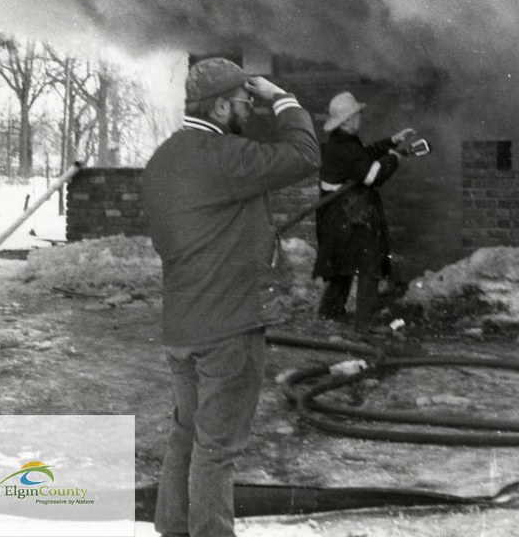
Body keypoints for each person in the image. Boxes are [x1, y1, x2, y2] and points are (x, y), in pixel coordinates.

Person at [142, 57, 320, 537]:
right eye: (244, 103)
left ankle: (173, 529)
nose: (250, 111)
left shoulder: (162, 160)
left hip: (181, 329)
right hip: (228, 331)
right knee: (217, 448)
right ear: (221, 107)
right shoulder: (228, 157)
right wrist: (284, 99)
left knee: (186, 435)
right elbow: (304, 156)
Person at [312, 91, 414, 331]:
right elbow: (373, 175)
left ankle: (329, 314)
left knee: (342, 267)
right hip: (352, 218)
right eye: (356, 115)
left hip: (337, 219)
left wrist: (392, 141)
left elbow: (363, 156)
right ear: (346, 121)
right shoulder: (346, 148)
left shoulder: (340, 143)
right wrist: (396, 158)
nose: (360, 118)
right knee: (369, 265)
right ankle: (364, 324)